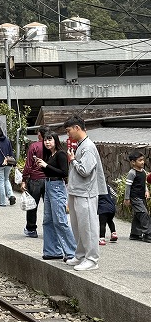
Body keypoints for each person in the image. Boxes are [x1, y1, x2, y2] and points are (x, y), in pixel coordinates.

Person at [63, 114, 107, 271]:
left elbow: (85, 170)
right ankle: (81, 255)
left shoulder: (87, 146)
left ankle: (92, 259)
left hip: (85, 192)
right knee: (78, 226)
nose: (68, 134)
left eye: (69, 130)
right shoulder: (82, 145)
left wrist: (73, 160)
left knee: (88, 226)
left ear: (77, 128)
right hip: (78, 191)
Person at [36, 133, 77, 261]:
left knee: (60, 220)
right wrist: (42, 167)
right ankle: (52, 251)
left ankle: (72, 252)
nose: (47, 142)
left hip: (57, 187)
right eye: (45, 140)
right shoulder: (49, 155)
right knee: (47, 220)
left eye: (50, 140)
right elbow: (50, 171)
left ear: (56, 140)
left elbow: (64, 173)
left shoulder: (61, 154)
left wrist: (46, 166)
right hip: (48, 185)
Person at [21, 128, 48, 238]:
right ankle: (49, 229)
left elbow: (28, 165)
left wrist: (24, 179)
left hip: (35, 179)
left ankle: (31, 229)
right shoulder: (51, 146)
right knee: (49, 206)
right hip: (49, 179)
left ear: (40, 134)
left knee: (32, 205)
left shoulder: (34, 146)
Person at [123, 150, 151, 242]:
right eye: (140, 160)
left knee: (138, 214)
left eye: (143, 160)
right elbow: (128, 186)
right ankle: (148, 234)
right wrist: (127, 198)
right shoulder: (132, 173)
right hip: (135, 197)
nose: (142, 162)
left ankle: (135, 234)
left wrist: (146, 191)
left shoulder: (143, 171)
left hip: (141, 197)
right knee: (144, 213)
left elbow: (144, 183)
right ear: (133, 162)